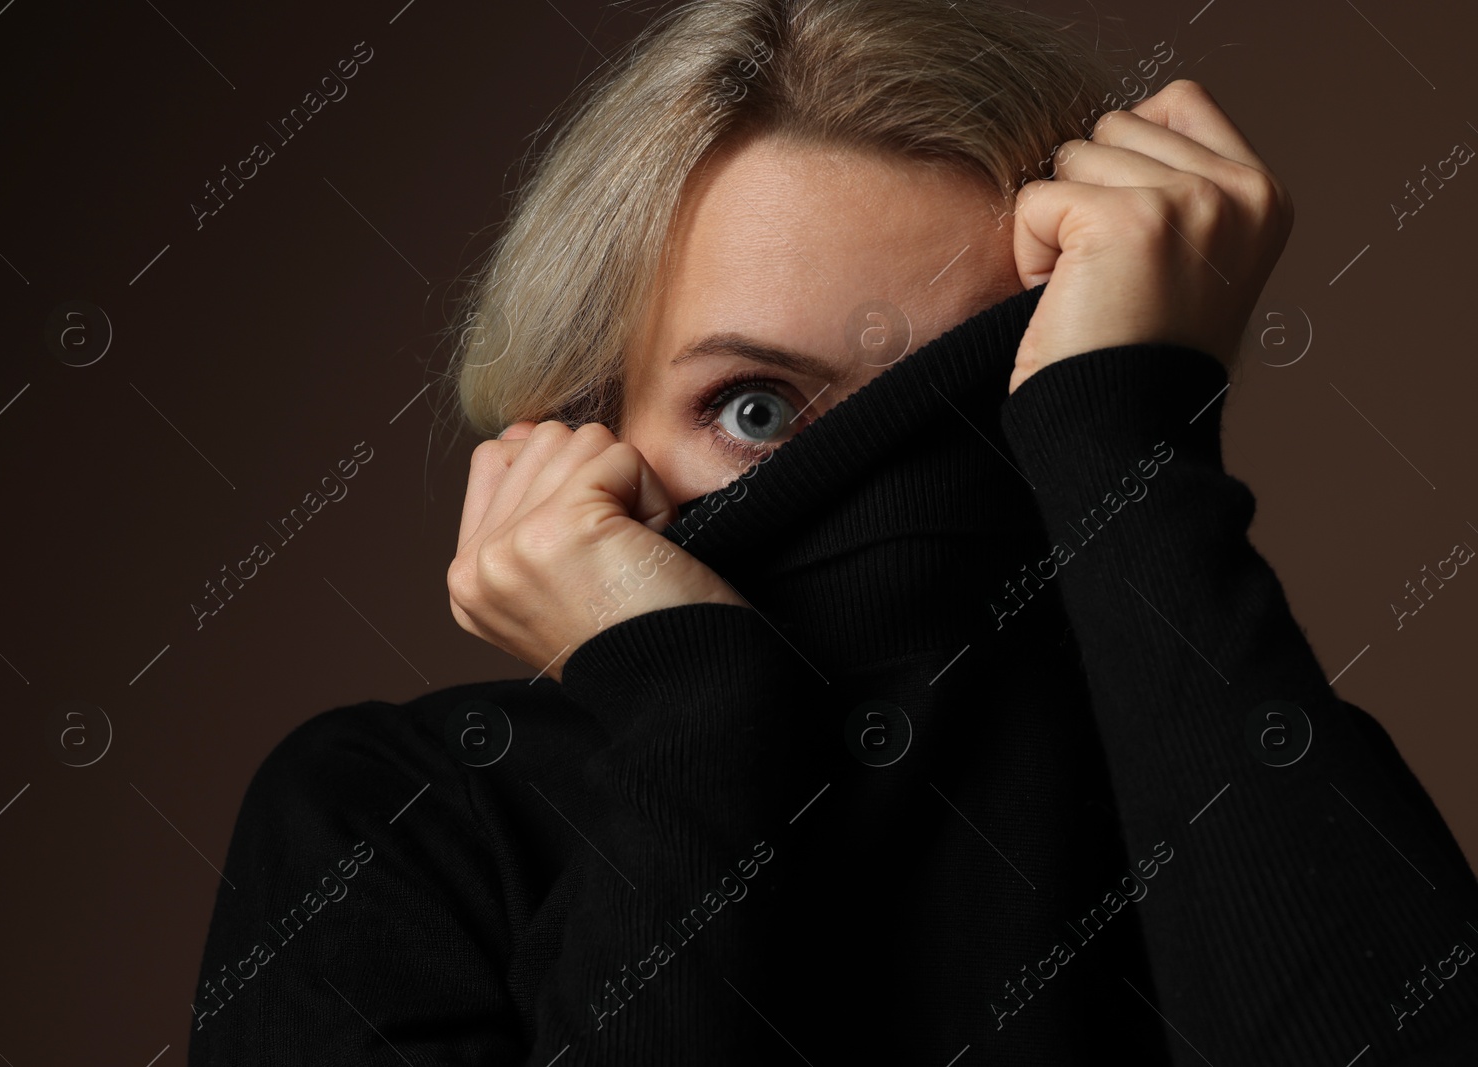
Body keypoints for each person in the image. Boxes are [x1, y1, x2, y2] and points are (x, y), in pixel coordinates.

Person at [187, 1, 1478, 1063]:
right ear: (586, 425)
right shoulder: (402, 816)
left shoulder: (1222, 799)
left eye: (979, 410)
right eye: (754, 407)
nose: (886, 489)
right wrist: (690, 708)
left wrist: (1131, 452)